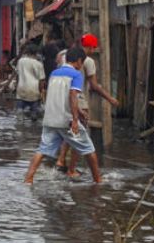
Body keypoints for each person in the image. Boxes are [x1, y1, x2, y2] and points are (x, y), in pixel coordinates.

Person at [23, 45, 102, 184]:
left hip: (50, 119)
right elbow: (72, 95)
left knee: (42, 150)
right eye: (82, 62)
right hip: (66, 120)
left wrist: (79, 111)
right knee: (89, 150)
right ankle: (98, 181)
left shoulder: (54, 73)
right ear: (79, 61)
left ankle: (28, 179)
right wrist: (76, 120)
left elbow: (60, 96)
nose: (81, 65)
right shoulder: (76, 74)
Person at [56, 33, 120, 172]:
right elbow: (94, 86)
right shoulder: (88, 61)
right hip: (79, 100)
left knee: (70, 132)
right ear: (90, 47)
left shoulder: (65, 56)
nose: (93, 50)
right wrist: (110, 98)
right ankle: (72, 169)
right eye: (93, 48)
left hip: (64, 99)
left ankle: (61, 161)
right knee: (78, 136)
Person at [15, 43, 45, 121]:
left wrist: (16, 86)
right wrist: (41, 92)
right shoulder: (39, 64)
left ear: (27, 52)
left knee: (19, 112)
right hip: (34, 91)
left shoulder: (20, 61)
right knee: (34, 115)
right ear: (36, 53)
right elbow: (41, 80)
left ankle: (20, 123)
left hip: (21, 89)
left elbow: (17, 75)